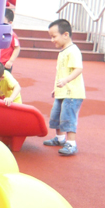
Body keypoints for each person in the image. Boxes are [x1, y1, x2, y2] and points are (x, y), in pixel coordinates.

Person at [43, 19, 84, 156]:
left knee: (68, 117)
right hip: (63, 91)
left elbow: (78, 69)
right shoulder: (63, 51)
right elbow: (61, 72)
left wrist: (66, 80)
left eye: (54, 36)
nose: (52, 40)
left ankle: (71, 143)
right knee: (57, 115)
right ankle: (60, 139)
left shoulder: (73, 51)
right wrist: (57, 88)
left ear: (65, 34)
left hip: (72, 93)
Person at [0, 8, 20, 72]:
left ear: (10, 23)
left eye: (3, 22)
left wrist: (10, 61)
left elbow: (17, 48)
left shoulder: (12, 35)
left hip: (5, 64)